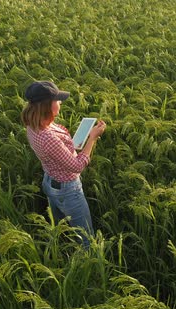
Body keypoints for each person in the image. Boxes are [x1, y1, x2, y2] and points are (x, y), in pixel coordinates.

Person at [21, 81, 106, 249]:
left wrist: (73, 144)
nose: (60, 102)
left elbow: (58, 152)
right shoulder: (48, 137)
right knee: (86, 238)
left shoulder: (34, 125)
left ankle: (63, 251)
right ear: (47, 106)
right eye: (57, 100)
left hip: (51, 182)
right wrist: (93, 138)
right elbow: (77, 166)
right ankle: (90, 266)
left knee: (62, 229)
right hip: (68, 190)